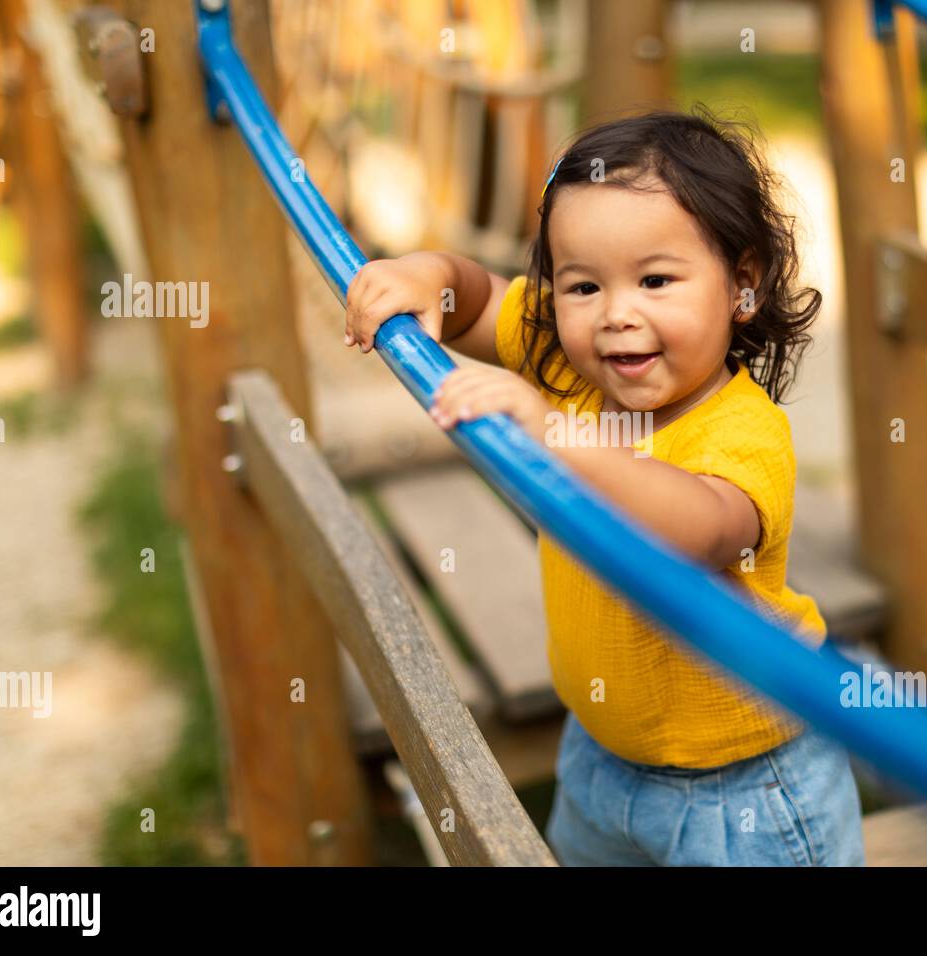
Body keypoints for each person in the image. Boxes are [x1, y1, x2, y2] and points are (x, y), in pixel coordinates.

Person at [343, 106, 864, 866]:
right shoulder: (569, 362)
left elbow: (698, 529)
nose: (617, 315)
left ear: (742, 285)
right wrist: (424, 274)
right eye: (583, 286)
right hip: (600, 754)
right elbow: (481, 299)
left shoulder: (741, 431)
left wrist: (552, 431)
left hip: (745, 790)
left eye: (656, 280)